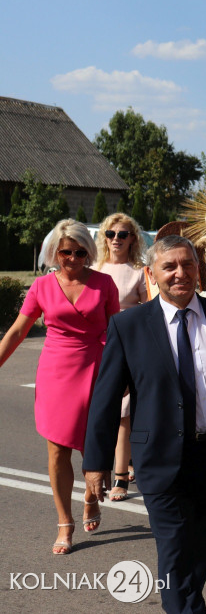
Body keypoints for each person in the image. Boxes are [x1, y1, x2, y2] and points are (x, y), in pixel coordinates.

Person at [83, 235, 206, 613]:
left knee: (200, 549)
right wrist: (95, 463)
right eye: (169, 266)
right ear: (152, 273)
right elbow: (104, 399)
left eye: (187, 264)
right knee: (174, 549)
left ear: (198, 269)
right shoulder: (129, 326)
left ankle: (184, 602)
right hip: (160, 459)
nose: (179, 273)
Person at [0, 220, 119, 555]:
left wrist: (123, 376)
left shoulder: (104, 284)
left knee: (92, 446)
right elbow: (16, 332)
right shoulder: (41, 286)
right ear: (54, 251)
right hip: (55, 372)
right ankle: (65, 522)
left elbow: (117, 334)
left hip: (95, 368)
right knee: (57, 450)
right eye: (66, 252)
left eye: (80, 252)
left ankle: (90, 497)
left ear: (89, 251)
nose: (73, 258)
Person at [93, 212, 150, 501]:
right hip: (97, 347)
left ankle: (120, 479)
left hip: (128, 347)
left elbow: (150, 311)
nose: (116, 239)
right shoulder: (94, 268)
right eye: (111, 234)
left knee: (123, 414)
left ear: (132, 239)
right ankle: (108, 467)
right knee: (101, 412)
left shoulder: (139, 271)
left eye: (123, 234)